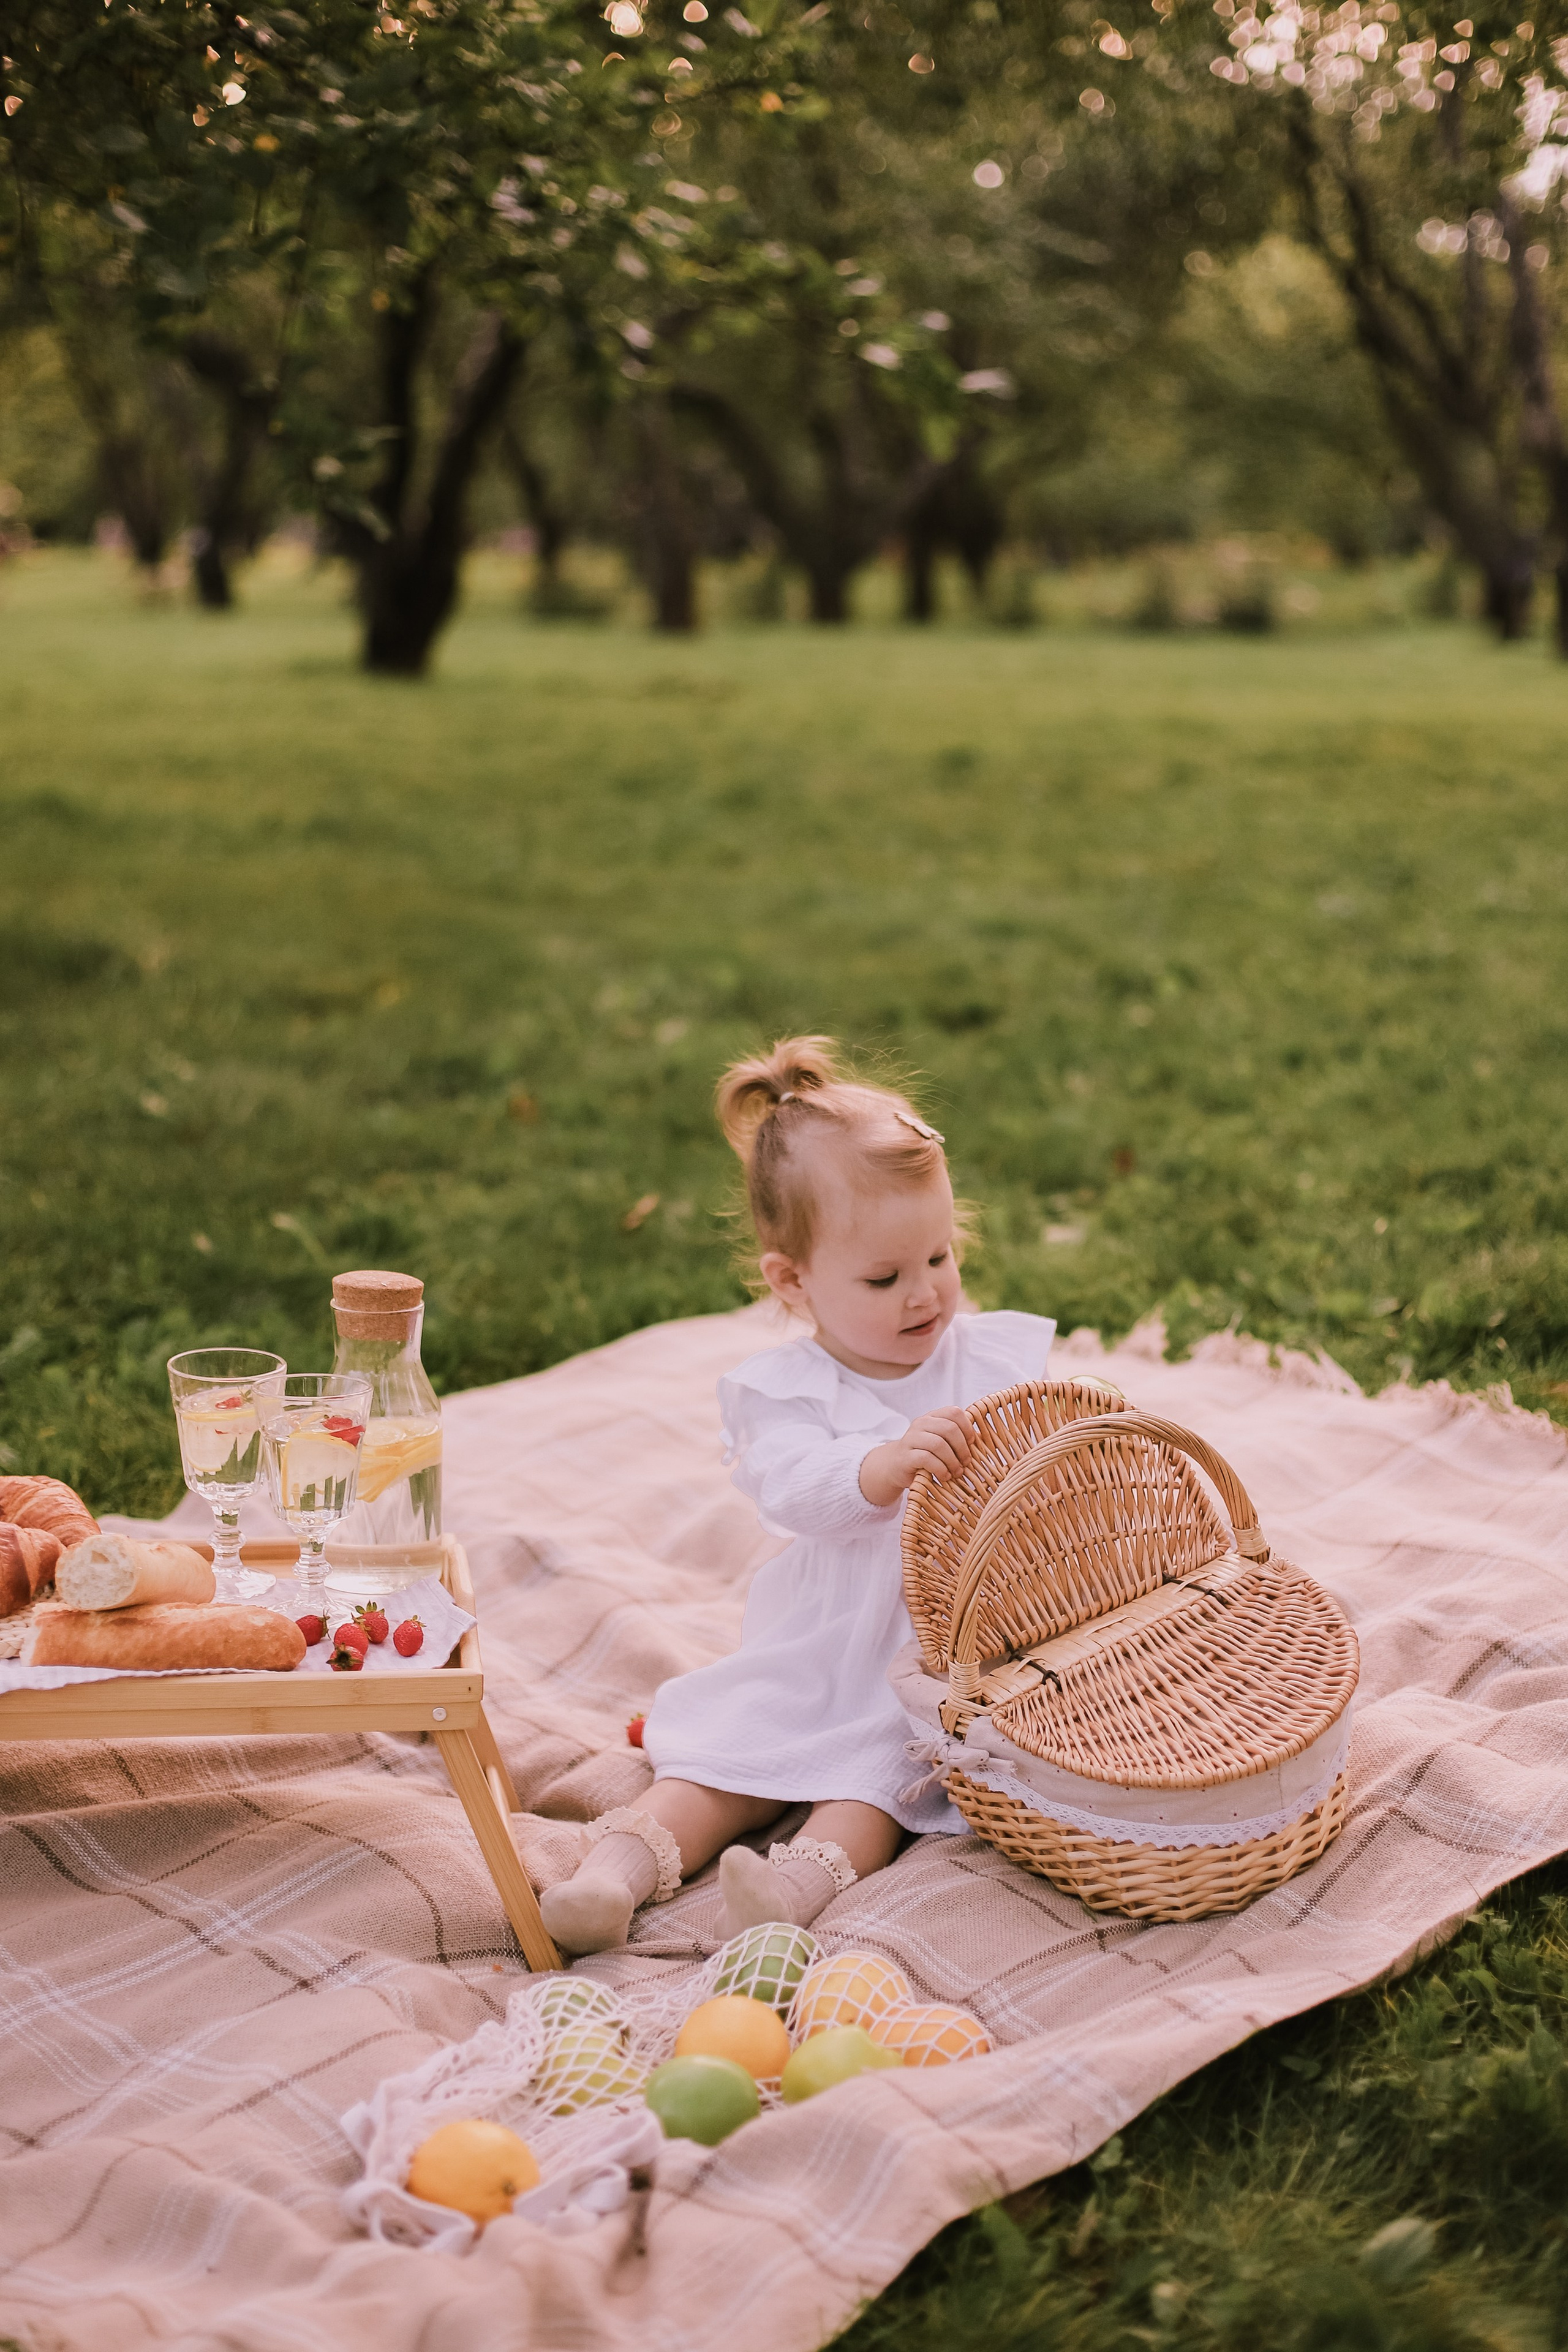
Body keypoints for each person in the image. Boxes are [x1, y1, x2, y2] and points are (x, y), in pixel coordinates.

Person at [539, 1035, 1056, 1956]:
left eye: (940, 1256)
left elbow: (1048, 1451)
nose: (925, 1293)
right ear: (793, 1281)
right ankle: (605, 1882)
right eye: (884, 1278)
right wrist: (878, 1467)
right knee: (721, 1758)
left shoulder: (986, 1359)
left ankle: (784, 1897)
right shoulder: (787, 1390)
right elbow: (793, 1489)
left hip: (932, 1658)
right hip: (821, 1639)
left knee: (875, 1785)